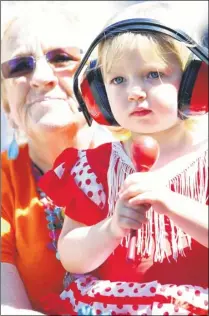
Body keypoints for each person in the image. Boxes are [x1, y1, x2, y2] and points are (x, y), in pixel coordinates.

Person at [39, 1, 208, 315]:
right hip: (106, 304)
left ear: (195, 84)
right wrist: (111, 229)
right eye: (117, 80)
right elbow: (71, 256)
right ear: (98, 96)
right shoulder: (93, 167)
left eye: (153, 74)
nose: (134, 92)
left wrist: (171, 203)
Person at [1, 4, 116, 315]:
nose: (40, 77)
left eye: (62, 58)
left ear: (101, 80)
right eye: (20, 66)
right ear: (7, 106)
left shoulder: (151, 156)